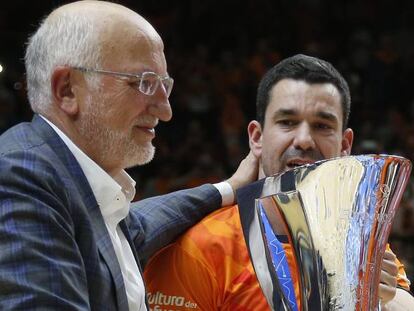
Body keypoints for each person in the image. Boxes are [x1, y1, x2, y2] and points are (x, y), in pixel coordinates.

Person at [0, 1, 259, 310]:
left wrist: (229, 187)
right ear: (68, 90)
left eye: (164, 86)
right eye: (143, 83)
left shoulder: (73, 187)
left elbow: (142, 222)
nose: (165, 111)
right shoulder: (20, 176)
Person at [144, 54, 414, 310]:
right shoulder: (201, 247)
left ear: (345, 146)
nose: (304, 140)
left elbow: (402, 299)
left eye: (322, 126)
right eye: (287, 122)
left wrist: (380, 298)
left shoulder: (356, 240)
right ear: (257, 137)